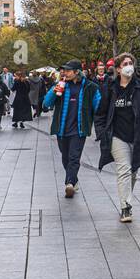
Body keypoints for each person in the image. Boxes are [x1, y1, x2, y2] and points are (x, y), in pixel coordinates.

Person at [95, 52, 140, 224]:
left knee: (133, 172)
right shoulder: (110, 88)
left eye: (131, 62)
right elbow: (100, 113)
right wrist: (102, 132)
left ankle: (126, 200)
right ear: (118, 68)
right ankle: (126, 207)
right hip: (117, 136)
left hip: (138, 137)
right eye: (125, 63)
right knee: (123, 170)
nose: (129, 66)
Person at [45, 59, 102, 199]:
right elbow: (46, 103)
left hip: (79, 130)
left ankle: (69, 183)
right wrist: (54, 90)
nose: (65, 72)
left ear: (77, 72)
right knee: (65, 158)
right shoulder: (61, 85)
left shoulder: (90, 87)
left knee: (73, 157)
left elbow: (99, 107)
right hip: (61, 129)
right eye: (64, 70)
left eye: (68, 70)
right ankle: (74, 180)